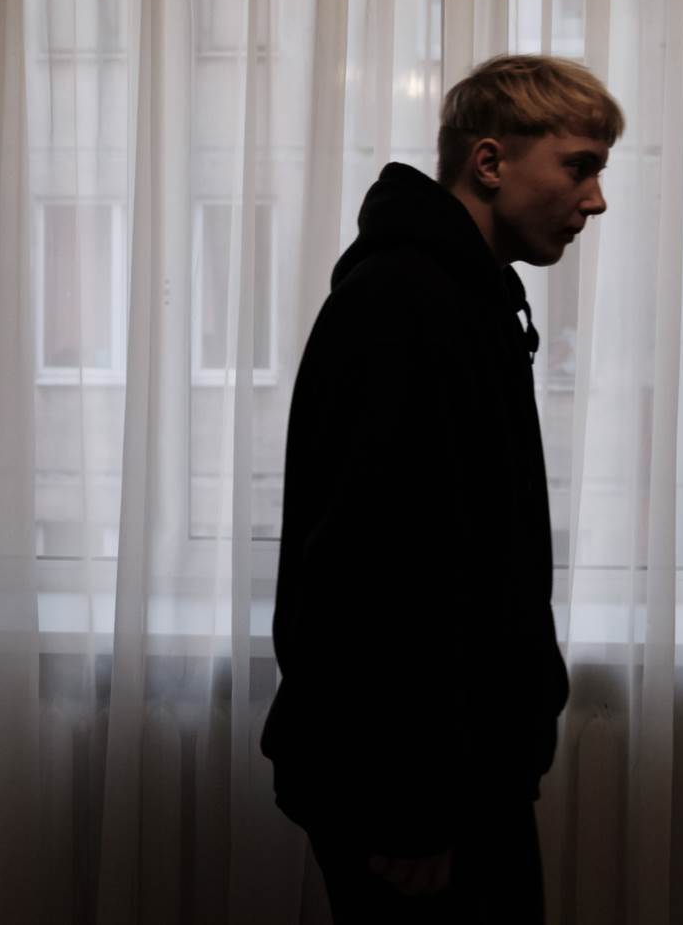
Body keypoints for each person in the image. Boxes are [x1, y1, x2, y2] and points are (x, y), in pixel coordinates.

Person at [259, 54, 624, 923]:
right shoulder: (402, 303)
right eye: (579, 166)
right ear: (490, 162)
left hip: (457, 773)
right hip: (412, 790)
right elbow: (370, 572)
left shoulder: (469, 296)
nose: (596, 200)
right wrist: (410, 809)